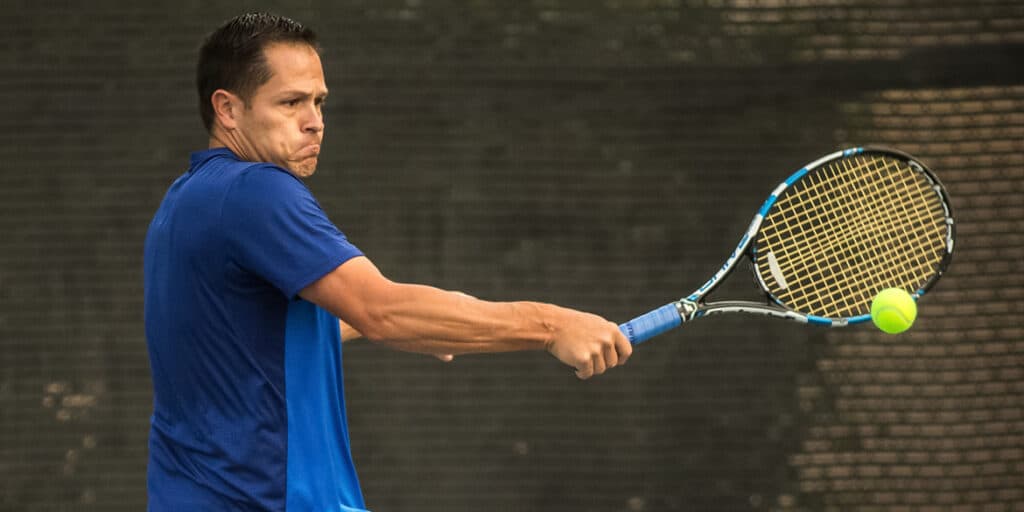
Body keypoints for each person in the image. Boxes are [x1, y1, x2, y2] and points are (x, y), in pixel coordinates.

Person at [143, 12, 631, 512]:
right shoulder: (257, 190)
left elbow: (248, 345)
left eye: (318, 101)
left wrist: (438, 321)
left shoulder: (182, 204)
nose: (314, 120)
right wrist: (551, 325)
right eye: (290, 102)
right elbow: (381, 311)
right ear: (227, 109)